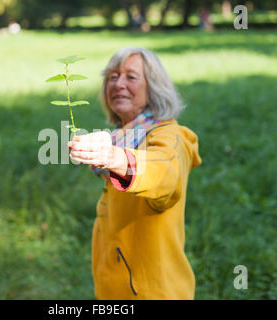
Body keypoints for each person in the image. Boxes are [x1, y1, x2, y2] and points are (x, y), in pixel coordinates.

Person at [68, 47, 202, 300]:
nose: (118, 84)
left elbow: (163, 176)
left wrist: (111, 157)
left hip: (154, 292)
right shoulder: (122, 138)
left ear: (153, 87)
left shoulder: (170, 136)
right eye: (112, 76)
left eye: (131, 77)